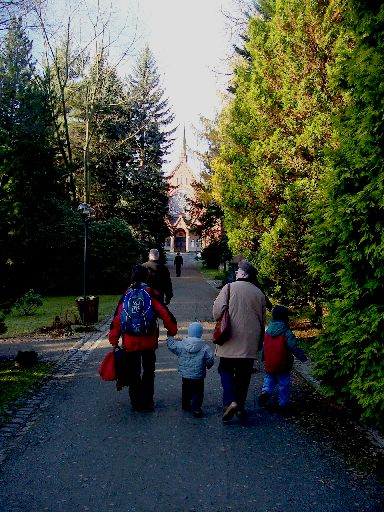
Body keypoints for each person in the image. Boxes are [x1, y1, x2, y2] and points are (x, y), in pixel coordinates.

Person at [108, 264, 178, 412]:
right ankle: (148, 401)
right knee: (148, 371)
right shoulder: (151, 294)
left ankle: (136, 402)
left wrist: (114, 340)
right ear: (146, 277)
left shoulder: (126, 295)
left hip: (130, 341)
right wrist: (172, 331)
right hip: (148, 340)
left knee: (133, 371)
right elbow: (164, 313)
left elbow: (117, 319)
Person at [213, 259, 266, 421]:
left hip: (230, 337)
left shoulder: (229, 288)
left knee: (225, 369)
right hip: (250, 340)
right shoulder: (259, 293)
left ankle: (230, 400)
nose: (235, 272)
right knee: (244, 375)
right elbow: (262, 319)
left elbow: (217, 312)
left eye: (238, 271)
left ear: (244, 274)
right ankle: (240, 406)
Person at [258, 305, 307, 411]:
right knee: (283, 383)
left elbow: (265, 347)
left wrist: (264, 358)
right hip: (283, 363)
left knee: (269, 379)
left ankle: (265, 392)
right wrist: (302, 357)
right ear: (285, 318)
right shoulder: (286, 332)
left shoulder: (268, 332)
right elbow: (293, 346)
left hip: (270, 362)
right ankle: (283, 404)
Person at [167, 322, 214, 418]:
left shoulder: (181, 345)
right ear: (201, 333)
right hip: (198, 375)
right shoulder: (204, 347)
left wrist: (170, 335)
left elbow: (172, 346)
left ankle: (186, 404)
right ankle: (196, 408)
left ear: (189, 332)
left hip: (185, 375)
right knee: (198, 391)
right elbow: (210, 359)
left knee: (186, 389)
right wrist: (208, 365)